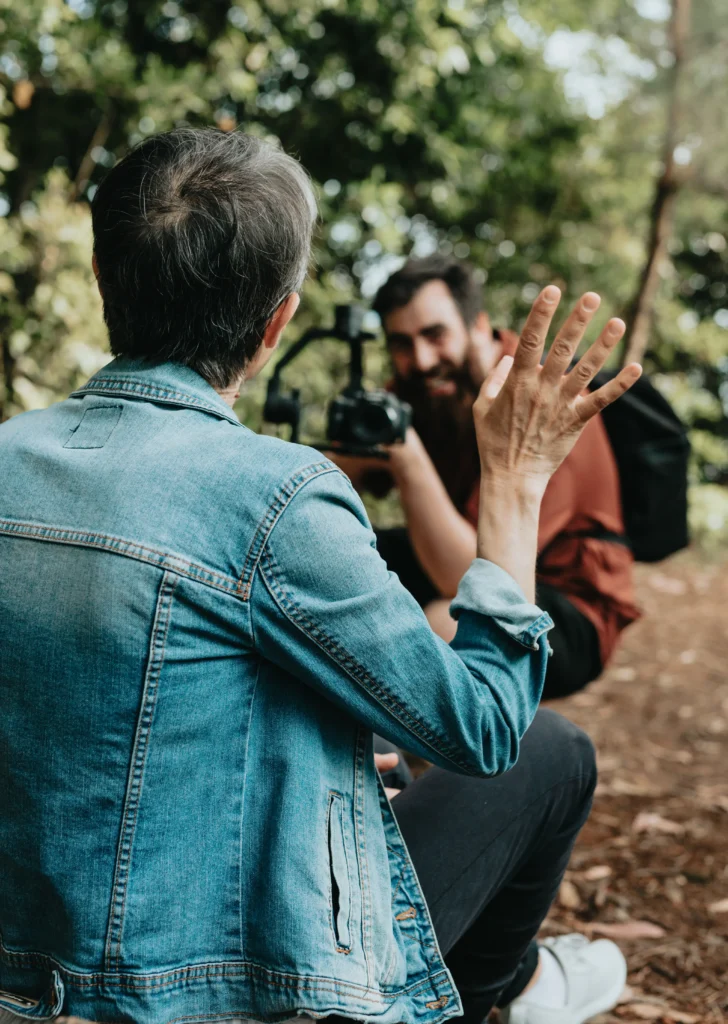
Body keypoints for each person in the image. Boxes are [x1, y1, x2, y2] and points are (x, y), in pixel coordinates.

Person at [0, 128, 641, 1024]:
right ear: (278, 322)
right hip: (211, 998)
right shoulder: (278, 496)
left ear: (105, 281)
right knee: (550, 749)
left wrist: (309, 765)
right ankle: (512, 989)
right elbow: (484, 725)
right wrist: (516, 477)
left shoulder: (7, 455)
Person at [346, 255, 640, 701]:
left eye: (435, 334)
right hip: (463, 555)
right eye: (402, 343)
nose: (421, 359)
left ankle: (428, 764)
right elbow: (336, 476)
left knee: (448, 625)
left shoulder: (547, 402)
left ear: (478, 327)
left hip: (568, 603)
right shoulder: (419, 389)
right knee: (340, 552)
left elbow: (471, 581)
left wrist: (406, 458)